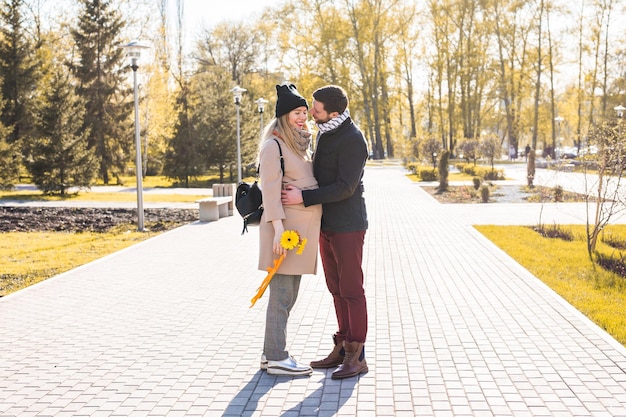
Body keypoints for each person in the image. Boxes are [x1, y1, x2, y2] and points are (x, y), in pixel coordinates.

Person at [281, 85, 369, 380]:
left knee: (352, 290)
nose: (312, 112)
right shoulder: (326, 132)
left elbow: (346, 187)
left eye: (316, 109)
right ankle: (342, 348)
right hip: (326, 224)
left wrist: (303, 198)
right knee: (335, 288)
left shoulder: (354, 140)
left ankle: (358, 356)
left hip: (348, 225)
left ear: (334, 112)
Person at [257, 83, 322, 376]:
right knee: (282, 296)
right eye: (297, 112)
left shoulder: (296, 145)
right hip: (284, 236)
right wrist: (279, 235)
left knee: (288, 296)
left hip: (298, 234)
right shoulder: (274, 146)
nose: (302, 118)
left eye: (304, 113)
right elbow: (271, 193)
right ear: (284, 115)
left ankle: (269, 354)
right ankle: (276, 357)